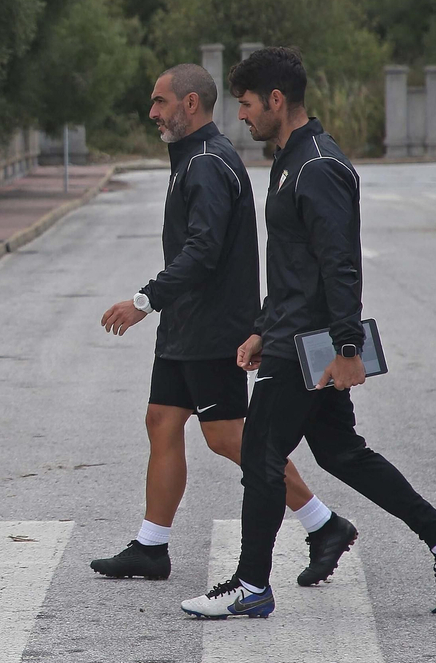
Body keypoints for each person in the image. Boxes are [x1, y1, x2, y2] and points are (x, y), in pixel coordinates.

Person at [182, 47, 436, 619]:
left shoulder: (317, 165)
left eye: (245, 104)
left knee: (261, 453)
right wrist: (262, 328)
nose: (240, 116)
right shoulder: (291, 157)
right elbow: (295, 266)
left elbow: (338, 263)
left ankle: (251, 587)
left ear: (276, 100)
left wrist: (347, 348)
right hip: (294, 334)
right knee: (339, 450)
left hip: (313, 346)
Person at [92, 64, 346, 584]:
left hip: (211, 328)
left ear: (190, 104)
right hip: (184, 329)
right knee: (161, 421)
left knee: (231, 438)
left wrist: (144, 301)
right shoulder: (191, 158)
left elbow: (203, 251)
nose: (152, 112)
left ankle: (323, 525)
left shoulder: (207, 162)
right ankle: (151, 546)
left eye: (160, 102)